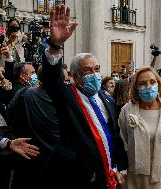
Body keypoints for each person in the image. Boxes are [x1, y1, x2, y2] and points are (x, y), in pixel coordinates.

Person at [41, 5, 128, 189]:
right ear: (75, 76)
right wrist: (55, 46)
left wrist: (120, 167)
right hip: (79, 176)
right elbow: (51, 79)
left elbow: (114, 136)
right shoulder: (66, 96)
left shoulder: (107, 99)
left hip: (109, 174)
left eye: (96, 69)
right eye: (87, 70)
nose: (94, 74)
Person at [118, 67, 161, 189]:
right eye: (142, 83)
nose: (148, 86)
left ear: (159, 84)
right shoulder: (127, 110)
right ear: (136, 88)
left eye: (152, 82)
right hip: (135, 178)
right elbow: (121, 139)